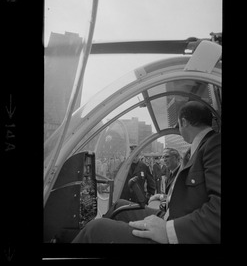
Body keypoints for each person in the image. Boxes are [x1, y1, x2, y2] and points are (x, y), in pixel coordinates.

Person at [72, 101, 221, 244]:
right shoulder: (198, 149)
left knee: (95, 229)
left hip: (182, 229)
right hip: (172, 216)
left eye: (178, 125)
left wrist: (169, 230)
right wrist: (163, 197)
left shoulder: (215, 145)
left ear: (184, 122)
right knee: (120, 206)